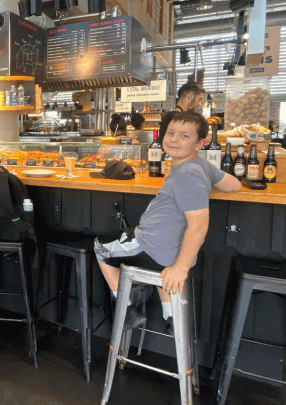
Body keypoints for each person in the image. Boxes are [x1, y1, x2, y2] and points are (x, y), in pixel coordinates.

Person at [94, 112, 241, 333]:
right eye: (171, 133)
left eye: (184, 136)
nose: (173, 139)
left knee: (100, 246)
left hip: (158, 250)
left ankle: (127, 310)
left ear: (199, 144)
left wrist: (180, 268)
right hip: (170, 249)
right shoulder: (199, 165)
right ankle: (171, 316)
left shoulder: (187, 176)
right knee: (163, 262)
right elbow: (234, 185)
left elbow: (199, 227)